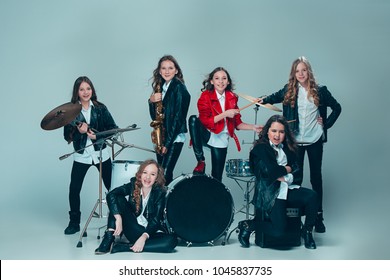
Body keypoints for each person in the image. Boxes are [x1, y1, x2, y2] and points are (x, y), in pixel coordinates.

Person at [259, 56, 341, 232]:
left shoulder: (320, 91)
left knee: (316, 178)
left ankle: (318, 216)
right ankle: (293, 216)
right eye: (297, 71)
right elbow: (272, 97)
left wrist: (325, 124)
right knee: (296, 177)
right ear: (293, 74)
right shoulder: (289, 90)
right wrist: (262, 100)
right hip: (295, 141)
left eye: (303, 70)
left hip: (314, 139)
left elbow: (337, 108)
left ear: (308, 72)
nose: (301, 74)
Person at [237, 115, 319, 249]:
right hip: (270, 193)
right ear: (267, 131)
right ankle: (249, 225)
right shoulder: (260, 150)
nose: (277, 135)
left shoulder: (289, 148)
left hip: (287, 188)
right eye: (274, 131)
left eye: (281, 132)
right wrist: (287, 168)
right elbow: (270, 173)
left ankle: (307, 231)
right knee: (278, 231)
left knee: (312, 196)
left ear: (285, 134)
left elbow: (298, 173)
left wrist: (286, 176)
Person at [63, 76, 118, 235]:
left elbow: (113, 128)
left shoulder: (101, 108)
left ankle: (117, 219)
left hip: (101, 153)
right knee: (74, 189)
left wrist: (97, 136)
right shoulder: (71, 112)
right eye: (81, 89)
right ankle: (74, 223)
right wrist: (76, 130)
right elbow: (67, 137)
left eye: (88, 88)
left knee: (112, 188)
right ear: (77, 92)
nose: (85, 92)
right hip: (82, 155)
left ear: (92, 90)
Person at [188, 67, 262, 182]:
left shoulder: (232, 98)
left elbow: (238, 124)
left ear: (228, 82)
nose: (220, 81)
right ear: (212, 81)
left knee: (216, 178)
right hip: (207, 134)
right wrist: (225, 114)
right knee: (193, 119)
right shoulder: (205, 96)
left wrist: (253, 127)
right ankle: (201, 161)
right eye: (217, 78)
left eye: (224, 78)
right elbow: (205, 121)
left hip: (221, 139)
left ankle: (214, 199)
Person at [94, 159, 178, 254]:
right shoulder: (133, 185)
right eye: (145, 172)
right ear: (140, 174)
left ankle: (124, 247)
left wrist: (143, 237)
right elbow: (111, 194)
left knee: (172, 241)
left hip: (149, 232)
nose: (148, 177)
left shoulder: (160, 193)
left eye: (152, 174)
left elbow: (155, 221)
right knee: (118, 198)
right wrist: (118, 218)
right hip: (132, 228)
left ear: (157, 178)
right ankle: (109, 237)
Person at [148, 55, 191, 185]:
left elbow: (178, 118)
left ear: (176, 70)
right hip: (162, 135)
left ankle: (165, 204)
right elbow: (154, 117)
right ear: (160, 71)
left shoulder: (179, 88)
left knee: (164, 173)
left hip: (174, 137)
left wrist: (167, 143)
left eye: (170, 68)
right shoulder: (161, 87)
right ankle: (165, 204)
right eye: (164, 68)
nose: (167, 71)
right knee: (162, 175)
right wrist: (151, 101)